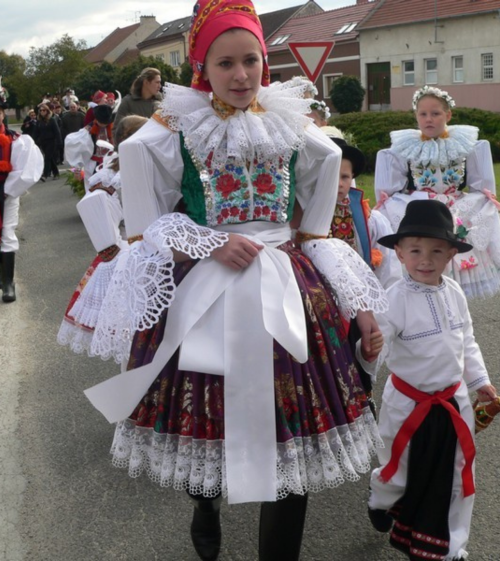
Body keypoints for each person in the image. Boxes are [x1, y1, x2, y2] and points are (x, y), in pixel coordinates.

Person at [81, 2, 389, 560]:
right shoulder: (170, 130)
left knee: (290, 433)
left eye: (251, 60)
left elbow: (317, 226)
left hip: (287, 293)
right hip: (206, 289)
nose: (242, 75)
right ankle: (207, 499)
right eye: (226, 64)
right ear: (201, 66)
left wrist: (359, 304)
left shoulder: (293, 126)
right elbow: (148, 225)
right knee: (206, 410)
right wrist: (209, 241)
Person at [356, 199, 497, 561]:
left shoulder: (454, 293)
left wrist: (480, 380)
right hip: (406, 407)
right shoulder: (394, 299)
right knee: (398, 470)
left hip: (454, 404)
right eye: (415, 249)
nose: (426, 259)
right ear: (399, 253)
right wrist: (368, 350)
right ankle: (381, 498)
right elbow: (378, 347)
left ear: (451, 254)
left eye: (436, 251)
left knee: (459, 472)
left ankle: (452, 546)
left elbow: (466, 340)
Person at [374, 85, 500, 299]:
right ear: (416, 117)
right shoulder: (404, 148)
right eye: (423, 114)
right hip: (422, 209)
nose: (428, 119)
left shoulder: (466, 145)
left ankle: (451, 303)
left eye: (435, 113)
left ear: (447, 115)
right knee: (424, 254)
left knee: (449, 252)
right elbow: (392, 189)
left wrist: (485, 201)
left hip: (456, 209)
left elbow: (482, 186)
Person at [57, 115, 148, 354]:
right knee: (136, 336)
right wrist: (114, 250)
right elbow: (95, 205)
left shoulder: (116, 169)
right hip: (137, 254)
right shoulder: (116, 174)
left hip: (137, 250)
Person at [0, 104, 43, 302]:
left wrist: (7, 191)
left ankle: (8, 283)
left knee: (7, 232)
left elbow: (25, 170)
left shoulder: (17, 140)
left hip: (7, 193)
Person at [65, 104, 114, 192]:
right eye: (101, 121)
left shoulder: (113, 128)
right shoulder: (87, 131)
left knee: (111, 189)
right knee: (93, 189)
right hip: (93, 164)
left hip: (110, 162)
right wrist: (77, 170)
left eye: (105, 122)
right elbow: (75, 148)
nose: (103, 124)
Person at [34, 104, 62, 181]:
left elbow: (57, 132)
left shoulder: (52, 120)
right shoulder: (39, 121)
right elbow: (36, 132)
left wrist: (59, 142)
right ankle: (56, 173)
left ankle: (45, 174)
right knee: (50, 158)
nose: (42, 112)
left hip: (52, 141)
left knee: (47, 158)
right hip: (43, 142)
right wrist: (34, 141)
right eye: (41, 110)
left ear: (47, 111)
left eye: (44, 110)